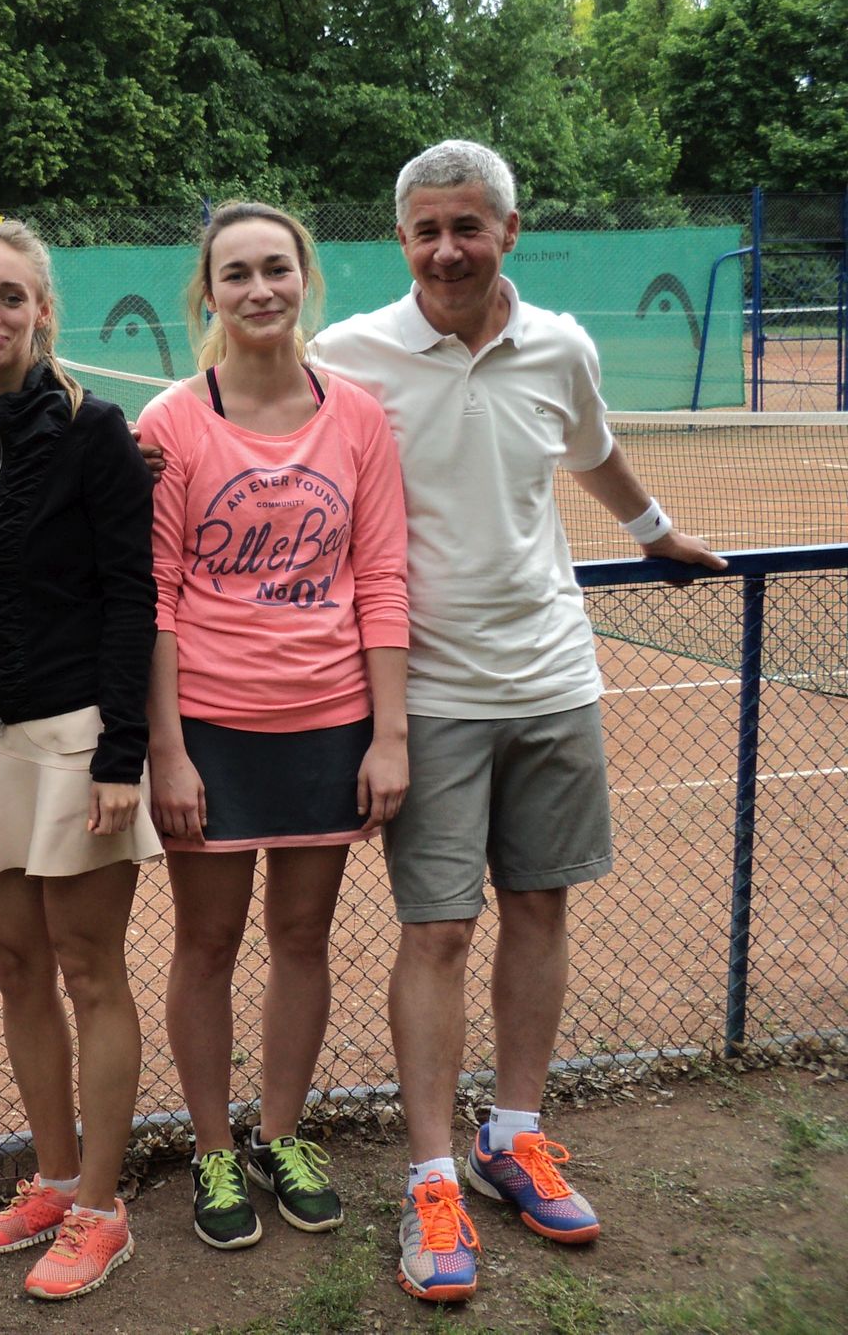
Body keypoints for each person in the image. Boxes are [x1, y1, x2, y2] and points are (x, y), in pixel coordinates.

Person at [307, 141, 728, 1303]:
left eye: (466, 227)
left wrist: (652, 531)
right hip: (427, 693)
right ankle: (431, 1177)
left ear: (507, 230)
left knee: (539, 907)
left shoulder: (560, 346)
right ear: (399, 241)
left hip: (551, 677)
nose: (446, 250)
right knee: (437, 932)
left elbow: (591, 450)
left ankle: (513, 1135)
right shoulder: (345, 356)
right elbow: (270, 443)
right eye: (425, 230)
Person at [136, 202, 411, 1256]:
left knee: (302, 939)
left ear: (305, 279)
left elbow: (379, 576)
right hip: (208, 725)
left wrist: (387, 735)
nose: (259, 289)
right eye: (236, 273)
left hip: (329, 720)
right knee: (205, 942)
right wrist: (167, 750)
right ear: (207, 293)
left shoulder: (357, 417)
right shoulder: (171, 423)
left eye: (276, 269)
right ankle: (212, 1149)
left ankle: (280, 1135)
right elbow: (155, 596)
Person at [0, 221, 158, 1300]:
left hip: (75, 737)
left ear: (42, 311)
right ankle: (54, 1180)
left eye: (11, 296)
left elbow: (131, 595)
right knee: (17, 964)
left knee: (88, 968)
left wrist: (119, 752)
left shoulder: (95, 433)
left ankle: (102, 1209)